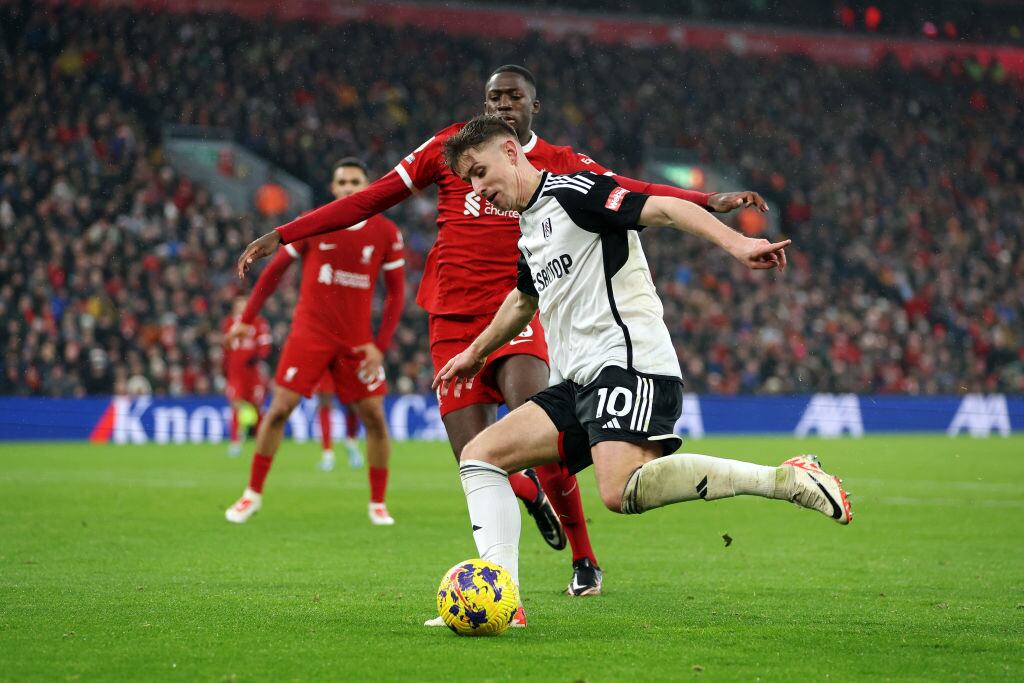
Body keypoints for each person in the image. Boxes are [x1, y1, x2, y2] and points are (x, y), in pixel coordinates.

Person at [235, 65, 767, 602]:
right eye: (493, 97)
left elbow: (632, 192)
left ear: (533, 108)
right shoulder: (450, 150)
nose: (502, 105)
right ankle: (518, 537)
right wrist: (286, 233)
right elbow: (369, 199)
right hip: (450, 319)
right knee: (477, 459)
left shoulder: (560, 165)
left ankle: (584, 559)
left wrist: (709, 201)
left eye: (514, 97)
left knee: (547, 437)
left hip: (518, 311)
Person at [433, 115, 852, 622]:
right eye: (467, 181)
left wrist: (739, 245)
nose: (477, 190)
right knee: (480, 456)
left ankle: (786, 479)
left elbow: (667, 209)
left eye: (479, 172)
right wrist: (475, 353)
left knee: (616, 491)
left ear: (510, 150)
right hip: (579, 380)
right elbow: (523, 300)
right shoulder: (530, 229)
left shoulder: (574, 192)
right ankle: (504, 600)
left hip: (629, 364)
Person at [224, 158, 406, 526]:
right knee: (278, 411)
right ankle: (252, 495)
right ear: (333, 188)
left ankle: (378, 503)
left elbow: (396, 295)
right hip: (310, 334)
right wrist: (246, 320)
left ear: (369, 185)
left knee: (374, 418)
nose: (349, 187)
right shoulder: (316, 222)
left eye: (356, 180)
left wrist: (379, 345)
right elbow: (274, 273)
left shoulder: (386, 232)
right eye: (342, 181)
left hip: (356, 342)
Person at [221, 297, 271, 456]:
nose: (242, 308)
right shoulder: (229, 323)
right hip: (235, 372)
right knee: (235, 403)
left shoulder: (258, 322)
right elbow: (226, 348)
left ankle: (261, 440)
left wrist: (259, 356)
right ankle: (235, 442)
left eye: (245, 305)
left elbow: (265, 344)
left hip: (253, 373)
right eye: (239, 305)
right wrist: (224, 367)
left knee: (257, 407)